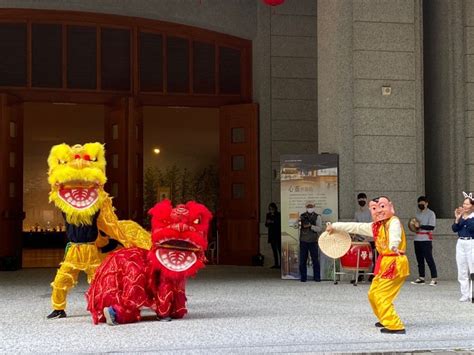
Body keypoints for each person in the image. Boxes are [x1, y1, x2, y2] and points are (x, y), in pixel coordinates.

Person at [326, 196, 409, 334]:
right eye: (375, 208)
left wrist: (394, 246)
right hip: (384, 263)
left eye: (382, 207)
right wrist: (334, 226)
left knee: (381, 295)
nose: (379, 211)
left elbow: (395, 234)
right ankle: (385, 318)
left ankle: (395, 325)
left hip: (395, 262)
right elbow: (356, 226)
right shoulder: (376, 226)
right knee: (373, 294)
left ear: (390, 206)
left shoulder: (394, 222)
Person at [452, 192, 474, 302]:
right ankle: (464, 293)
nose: (465, 206)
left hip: (471, 242)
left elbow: (471, 228)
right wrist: (457, 218)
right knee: (462, 269)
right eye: (464, 204)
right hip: (460, 242)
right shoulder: (461, 216)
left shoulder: (472, 218)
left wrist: (465, 218)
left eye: (467, 204)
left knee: (472, 268)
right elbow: (455, 229)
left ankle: (472, 293)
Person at [411, 196, 438, 286]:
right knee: (419, 260)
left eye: (422, 203)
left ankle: (434, 278)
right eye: (419, 204)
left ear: (426, 203)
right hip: (417, 238)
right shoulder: (417, 213)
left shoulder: (431, 214)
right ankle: (421, 277)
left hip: (426, 239)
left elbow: (431, 227)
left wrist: (420, 226)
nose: (421, 205)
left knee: (429, 259)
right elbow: (414, 225)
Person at [299, 202, 322, 282]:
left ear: (314, 207)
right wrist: (299, 223)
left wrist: (311, 226)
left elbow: (319, 229)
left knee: (315, 259)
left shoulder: (317, 216)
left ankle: (317, 277)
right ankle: (303, 277)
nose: (310, 208)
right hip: (303, 240)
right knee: (302, 260)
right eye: (308, 207)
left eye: (311, 206)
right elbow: (296, 226)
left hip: (313, 241)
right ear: (306, 207)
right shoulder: (302, 216)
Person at [353, 192, 374, 282]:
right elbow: (355, 225)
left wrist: (368, 237)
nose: (361, 201)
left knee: (373, 257)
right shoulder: (357, 213)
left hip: (370, 238)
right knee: (360, 257)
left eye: (363, 200)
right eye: (359, 200)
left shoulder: (371, 212)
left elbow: (372, 225)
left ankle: (373, 275)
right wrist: (354, 235)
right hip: (360, 239)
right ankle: (360, 276)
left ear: (366, 200)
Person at [265, 202, 281, 269]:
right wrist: (268, 222)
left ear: (275, 208)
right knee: (274, 250)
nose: (271, 210)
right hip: (271, 234)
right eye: (270, 209)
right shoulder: (268, 215)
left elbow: (278, 222)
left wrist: (272, 221)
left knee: (279, 249)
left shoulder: (278, 214)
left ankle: (281, 264)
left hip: (277, 233)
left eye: (272, 209)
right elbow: (266, 224)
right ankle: (276, 264)